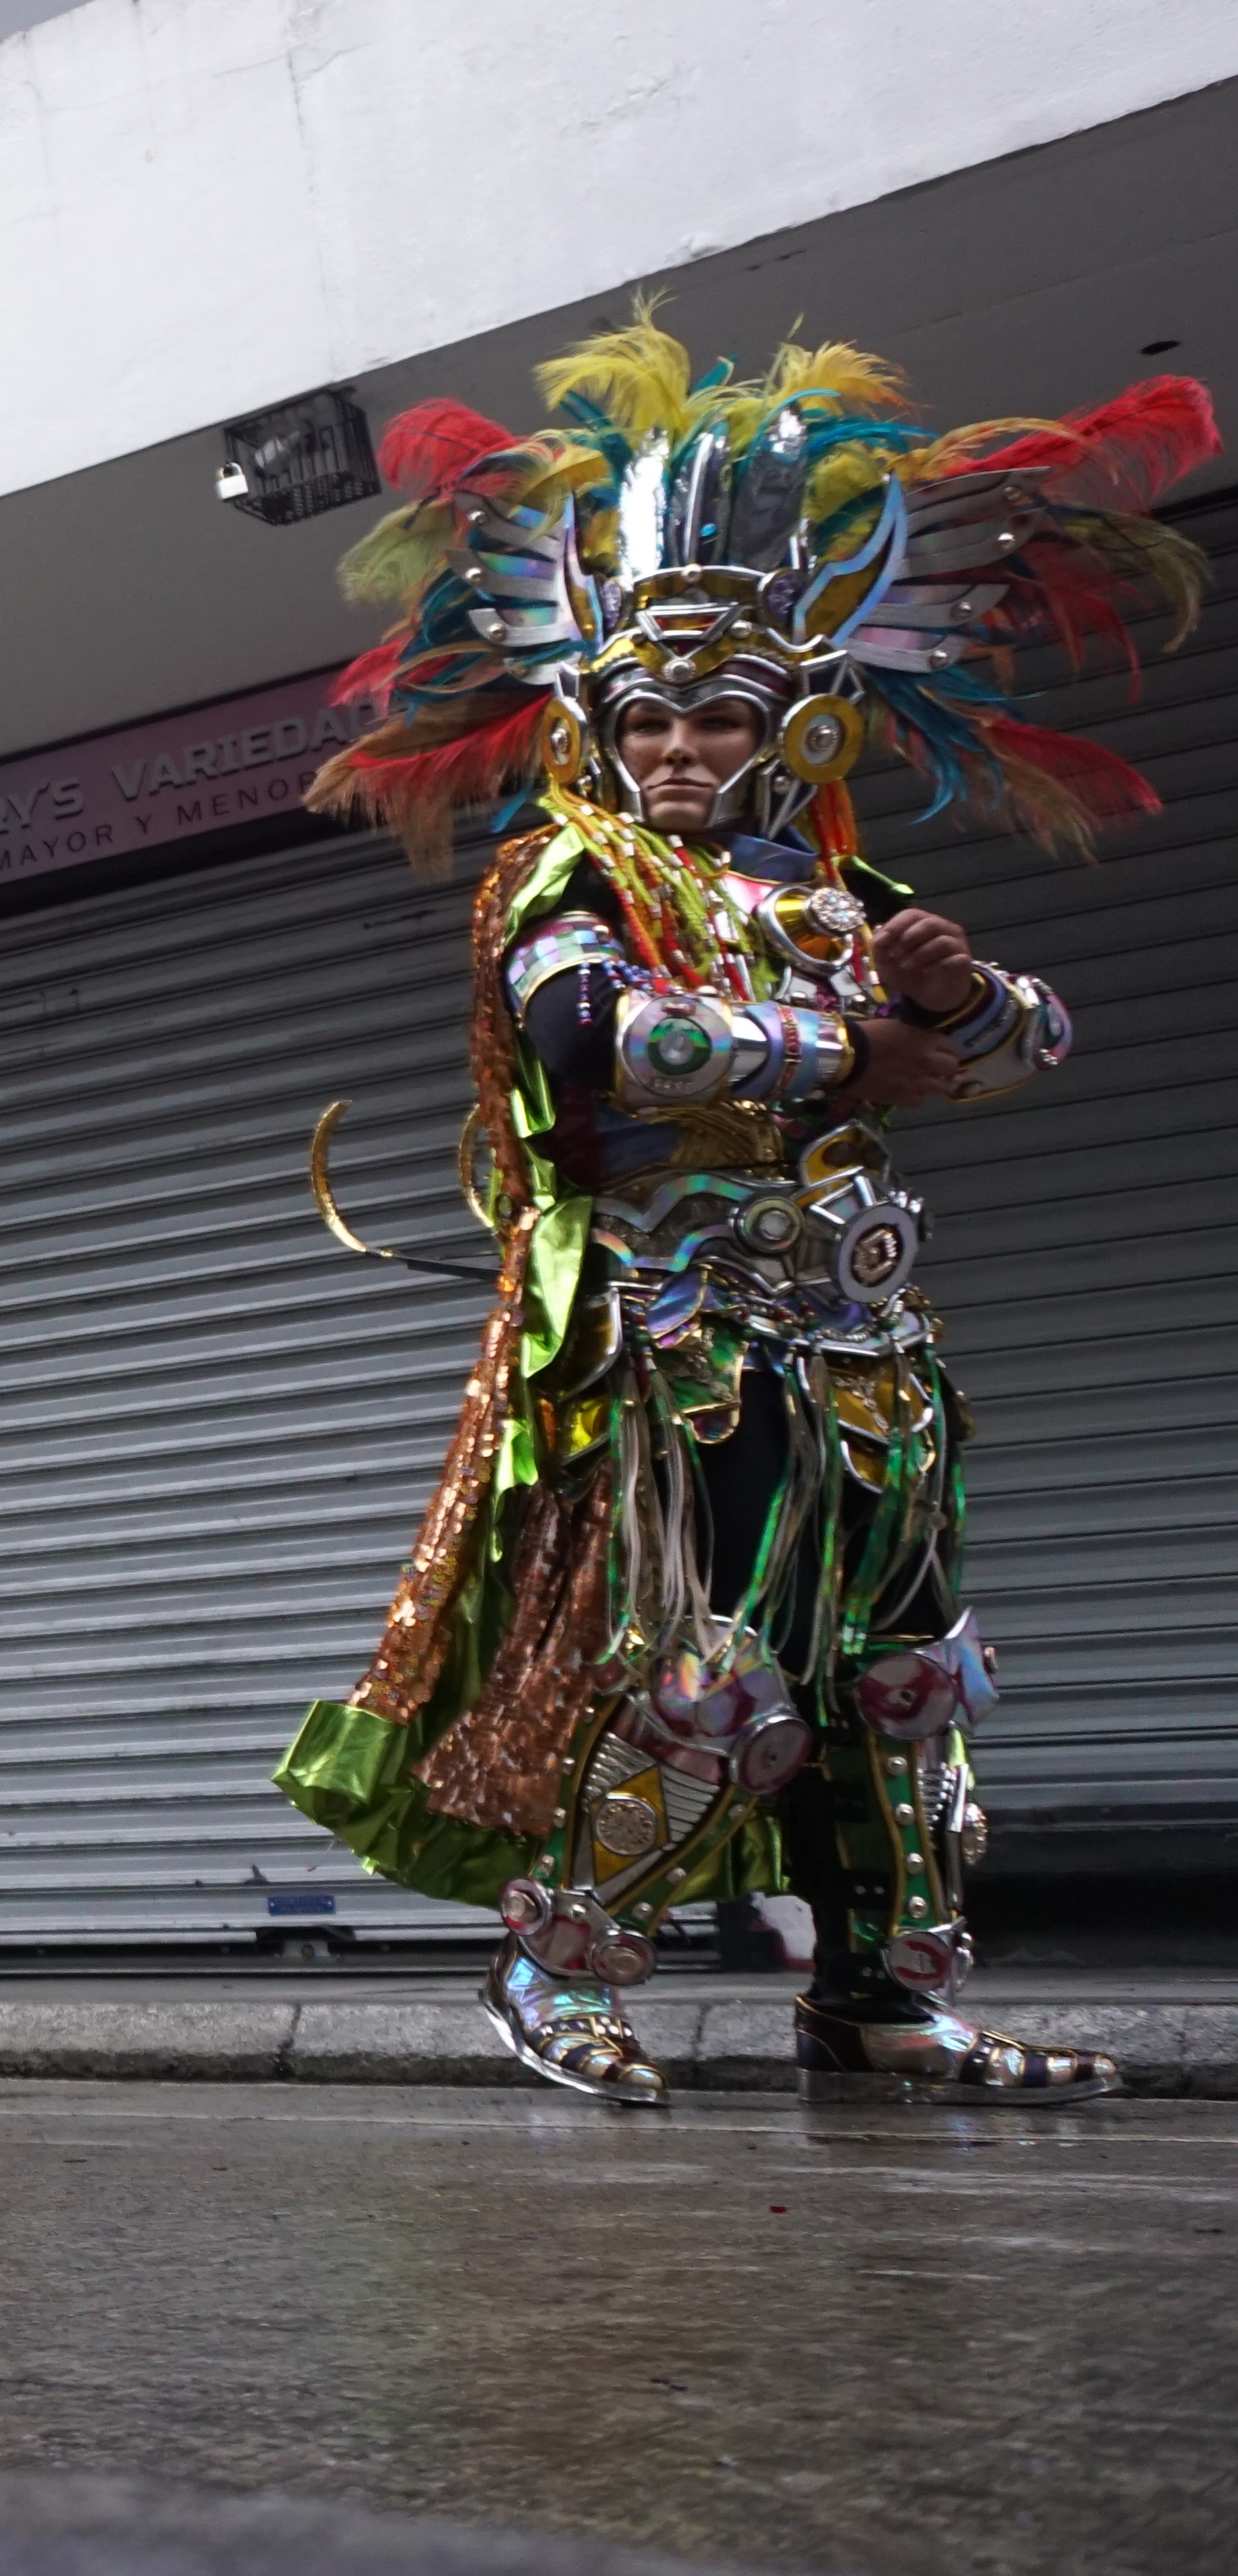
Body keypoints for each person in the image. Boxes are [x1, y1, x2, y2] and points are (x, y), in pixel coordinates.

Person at [275, 316, 1208, 2108]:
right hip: (681, 1330)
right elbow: (591, 1030)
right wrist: (846, 1049)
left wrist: (949, 1005)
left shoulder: (838, 882)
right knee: (721, 1675)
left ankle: (885, 1998)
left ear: (797, 722)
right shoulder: (575, 864)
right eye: (646, 714)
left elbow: (1033, 1036)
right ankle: (559, 1966)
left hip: (869, 1334)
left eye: (718, 713)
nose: (682, 744)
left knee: (909, 1677)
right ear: (599, 728)